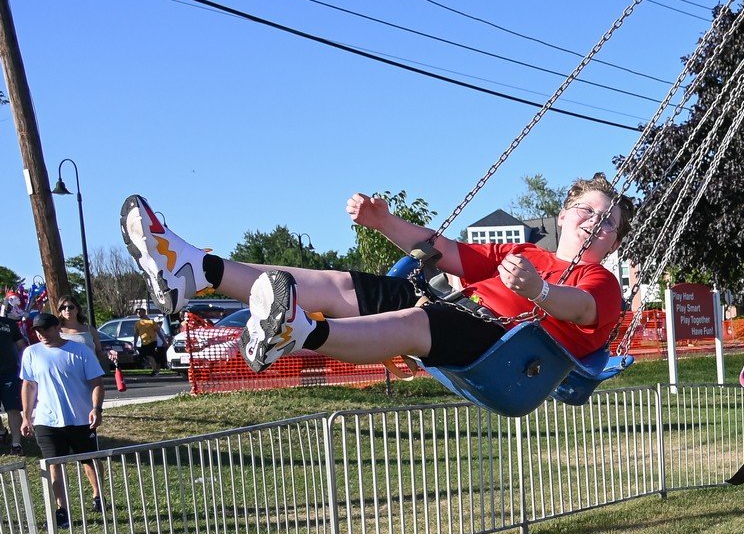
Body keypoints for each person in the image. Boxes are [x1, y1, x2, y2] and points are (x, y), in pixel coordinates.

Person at [119, 174, 635, 373]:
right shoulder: (521, 249)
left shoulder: (602, 282)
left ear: (613, 240)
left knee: (417, 319)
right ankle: (194, 267)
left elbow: (582, 310)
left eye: (609, 222)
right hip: (455, 309)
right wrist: (383, 221)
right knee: (341, 284)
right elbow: (446, 252)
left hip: (502, 345)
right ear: (563, 214)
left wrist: (541, 291)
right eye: (589, 211)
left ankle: (299, 332)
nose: (597, 223)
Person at [19, 312, 106, 528]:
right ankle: (62, 510)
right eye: (38, 331)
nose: (42, 335)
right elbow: (29, 385)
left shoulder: (80, 351)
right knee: (53, 464)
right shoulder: (31, 353)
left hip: (81, 418)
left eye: (46, 330)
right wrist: (26, 417)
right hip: (46, 420)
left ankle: (98, 496)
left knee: (89, 460)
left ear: (57, 327)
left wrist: (96, 409)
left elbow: (96, 383)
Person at [0, 301, 27, 454]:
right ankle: (2, 432)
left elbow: (21, 346)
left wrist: (27, 363)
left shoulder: (9, 324)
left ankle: (16, 444)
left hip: (9, 372)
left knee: (13, 408)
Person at [56, 296, 104, 365]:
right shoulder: (56, 331)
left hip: (91, 371)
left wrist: (108, 354)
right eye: (63, 308)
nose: (67, 310)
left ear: (77, 309)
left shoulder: (90, 330)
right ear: (60, 311)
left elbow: (99, 353)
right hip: (68, 372)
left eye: (71, 307)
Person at [132, 306, 167, 376]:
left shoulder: (151, 322)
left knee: (149, 355)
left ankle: (155, 370)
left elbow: (158, 332)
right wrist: (135, 344)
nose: (138, 313)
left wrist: (164, 341)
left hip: (151, 341)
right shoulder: (137, 323)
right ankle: (155, 368)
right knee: (146, 356)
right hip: (144, 342)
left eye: (140, 312)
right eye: (137, 312)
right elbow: (136, 334)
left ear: (144, 312)